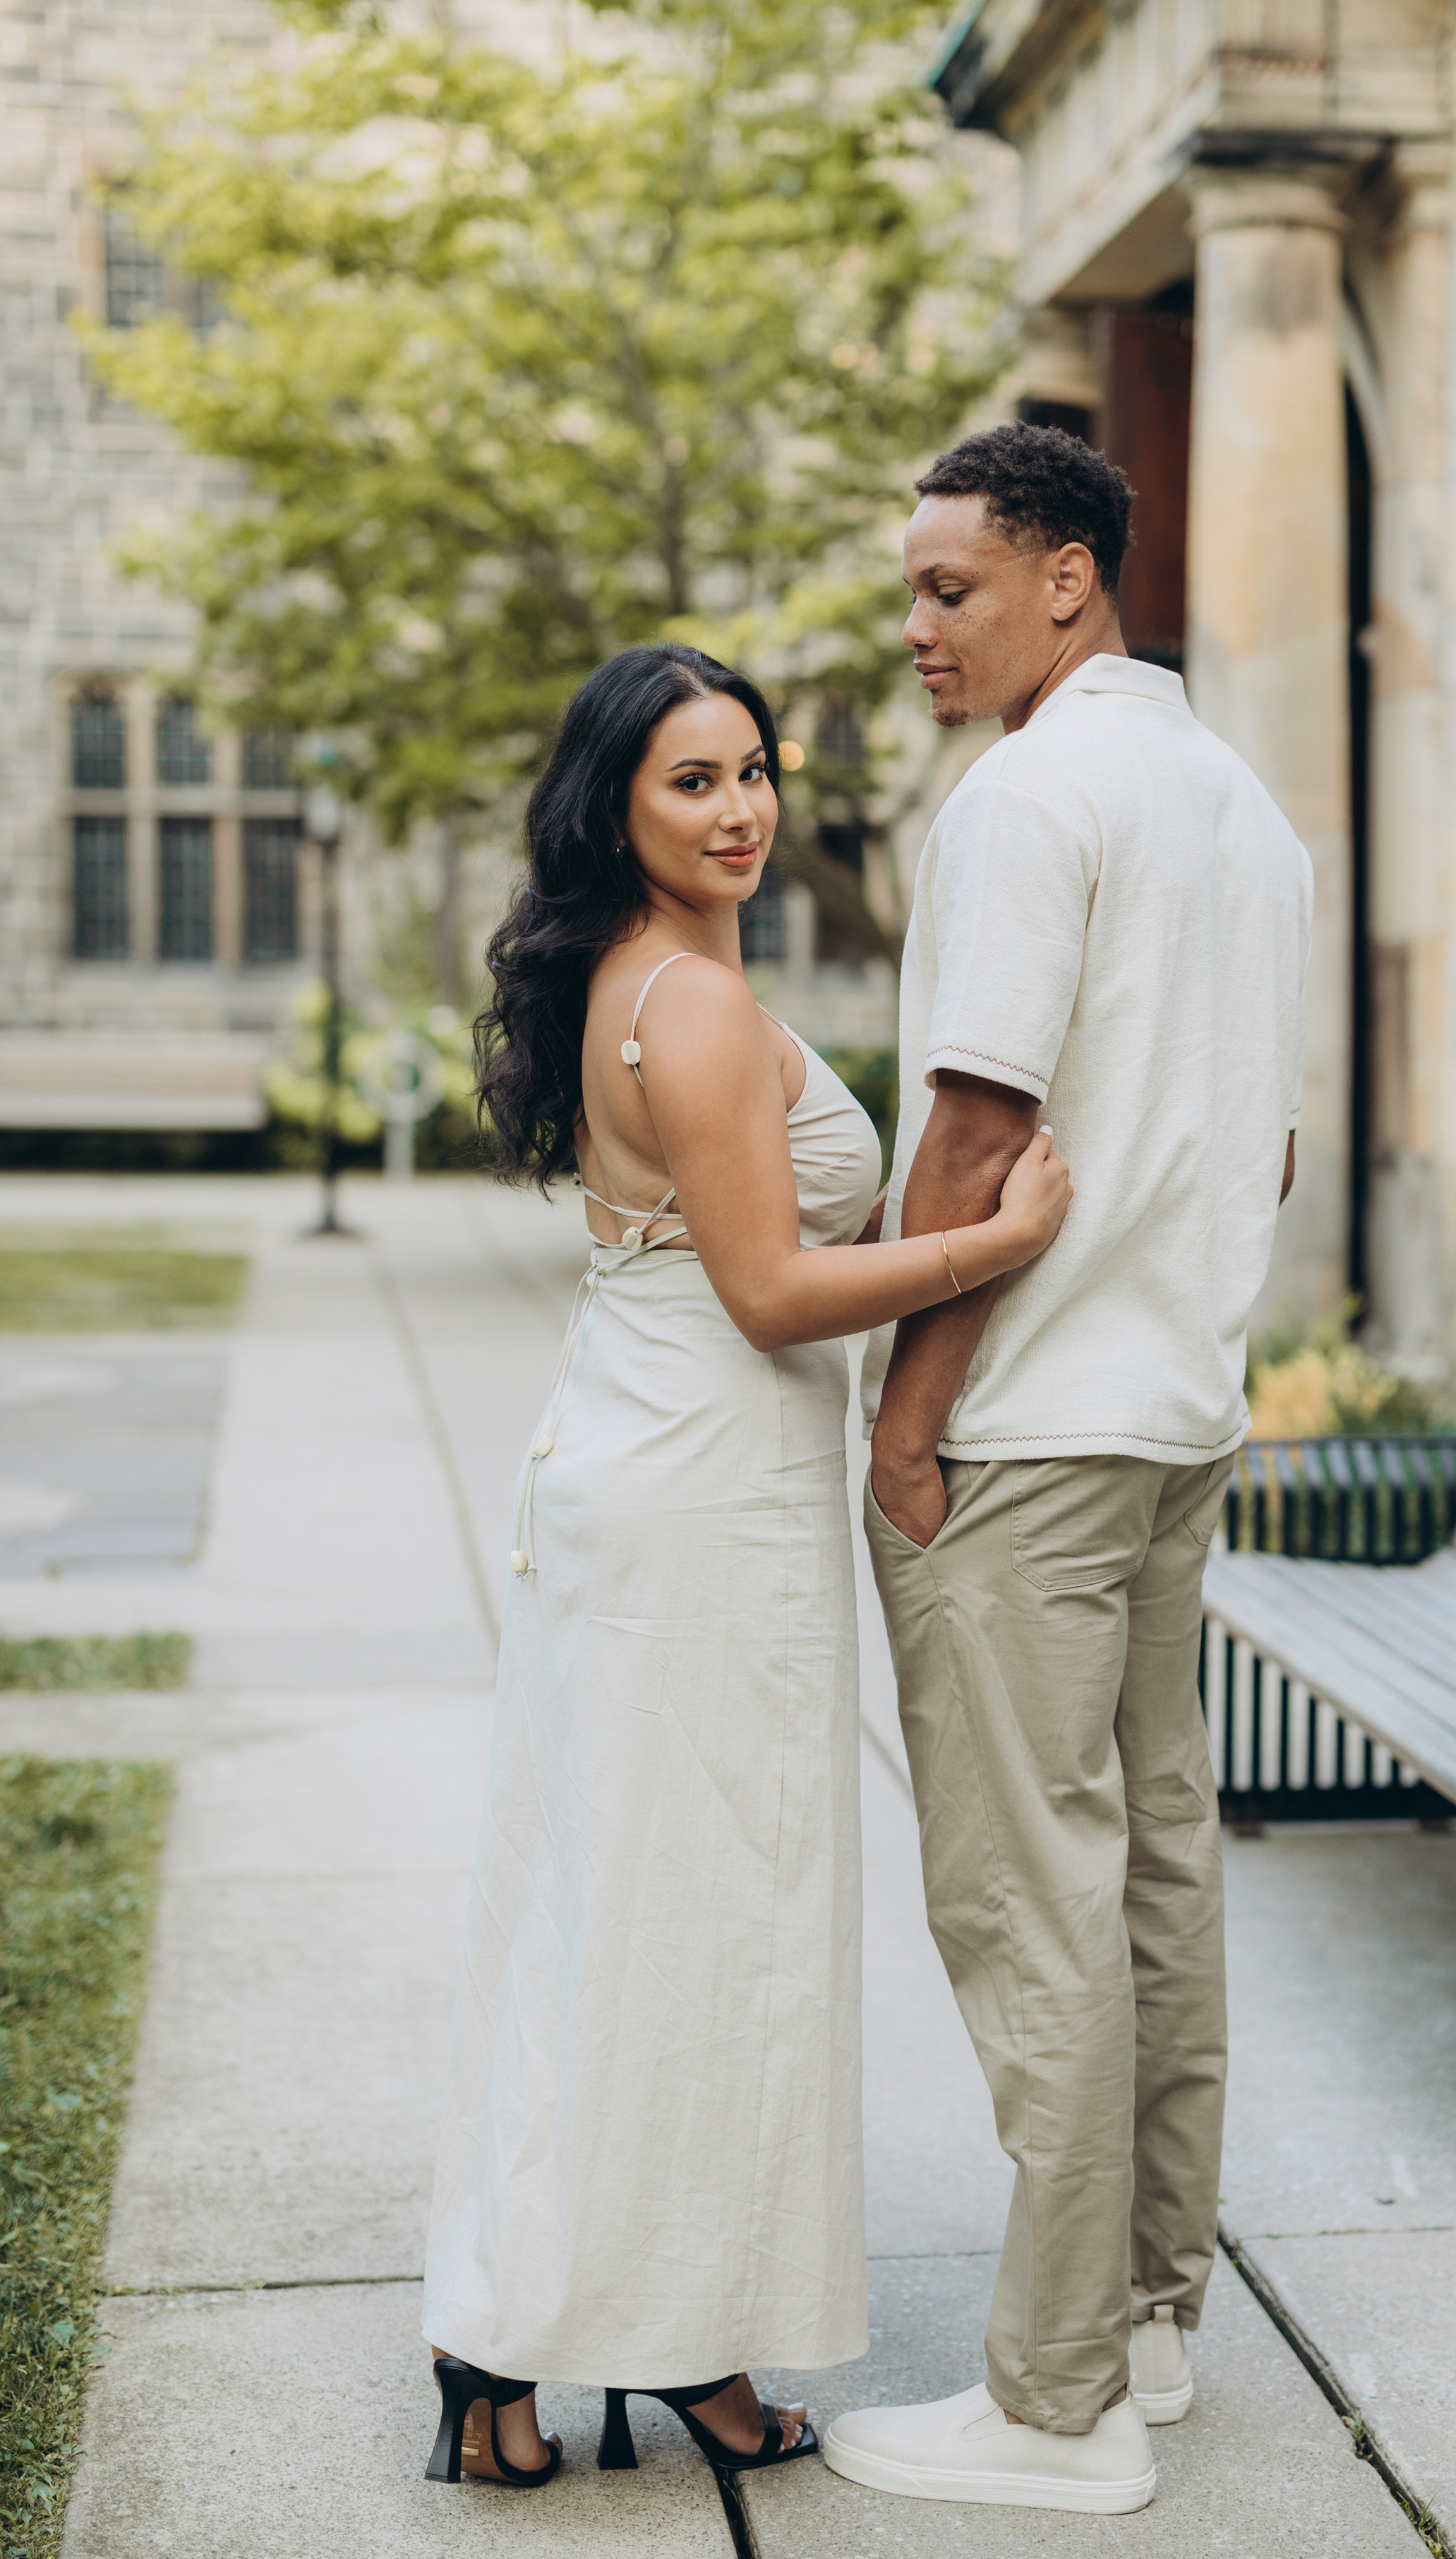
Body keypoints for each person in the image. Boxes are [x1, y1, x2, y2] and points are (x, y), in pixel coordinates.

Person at [417, 642, 1071, 2493]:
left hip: (676, 1477)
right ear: (618, 804)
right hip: (694, 1497)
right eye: (694, 779)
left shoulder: (659, 977)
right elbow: (773, 1294)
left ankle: (678, 2331)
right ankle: (507, 2346)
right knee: (664, 1929)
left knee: (690, 1927)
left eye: (755, 770)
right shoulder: (687, 1005)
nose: (742, 808)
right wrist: (994, 1242)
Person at [822, 426, 1311, 2516]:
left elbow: (972, 1127)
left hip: (1026, 1429)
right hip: (1179, 1415)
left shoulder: (1031, 795)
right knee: (1158, 1879)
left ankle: (1050, 2406)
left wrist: (903, 1415)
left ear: (1068, 585)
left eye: (951, 588)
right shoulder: (1241, 805)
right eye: (912, 590)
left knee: (1035, 1910)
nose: (917, 627)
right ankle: (1152, 2328)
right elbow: (1266, 1139)